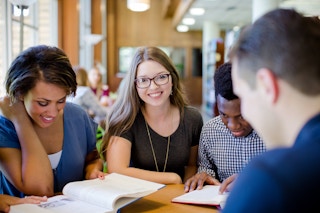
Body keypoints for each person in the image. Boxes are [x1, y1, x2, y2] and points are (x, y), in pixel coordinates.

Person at [222, 9, 320, 212]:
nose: (245, 113)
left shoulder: (272, 177)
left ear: (267, 85)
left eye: (244, 96)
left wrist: (258, 186)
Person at [0, 45, 104, 198]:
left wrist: (92, 169)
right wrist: (21, 120)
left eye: (61, 100)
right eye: (43, 103)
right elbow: (41, 189)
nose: (53, 112)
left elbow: (93, 158)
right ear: (20, 93)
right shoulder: (5, 128)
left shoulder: (78, 116)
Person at [100, 46, 203, 184]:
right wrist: (172, 178)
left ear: (172, 79)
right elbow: (117, 169)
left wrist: (185, 191)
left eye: (161, 77)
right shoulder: (125, 118)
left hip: (179, 198)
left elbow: (192, 165)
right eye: (143, 80)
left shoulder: (192, 118)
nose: (153, 87)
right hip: (136, 199)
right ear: (134, 85)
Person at [184, 62, 266, 192]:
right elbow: (206, 167)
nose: (233, 125)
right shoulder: (210, 131)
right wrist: (205, 175)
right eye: (224, 115)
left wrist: (253, 179)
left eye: (242, 116)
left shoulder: (274, 132)